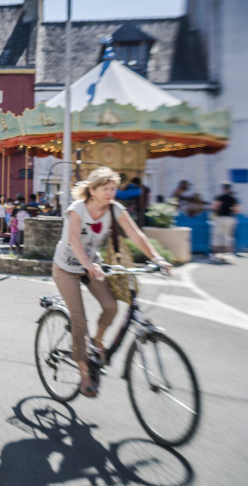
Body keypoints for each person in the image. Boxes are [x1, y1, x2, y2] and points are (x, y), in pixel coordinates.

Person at [52, 167, 171, 398]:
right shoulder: (77, 210)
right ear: (93, 190)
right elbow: (74, 239)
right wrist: (87, 264)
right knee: (79, 320)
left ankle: (97, 342)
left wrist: (156, 257)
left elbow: (136, 234)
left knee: (111, 306)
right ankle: (84, 375)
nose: (110, 193)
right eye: (105, 189)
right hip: (66, 268)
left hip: (92, 266)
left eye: (113, 189)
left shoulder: (115, 209)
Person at [210, 183, 240, 262]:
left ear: (223, 188)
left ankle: (217, 254)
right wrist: (230, 209)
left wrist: (218, 210)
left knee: (217, 235)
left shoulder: (220, 197)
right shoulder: (233, 198)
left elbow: (215, 207)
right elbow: (237, 210)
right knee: (228, 236)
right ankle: (227, 254)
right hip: (230, 218)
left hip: (220, 217)